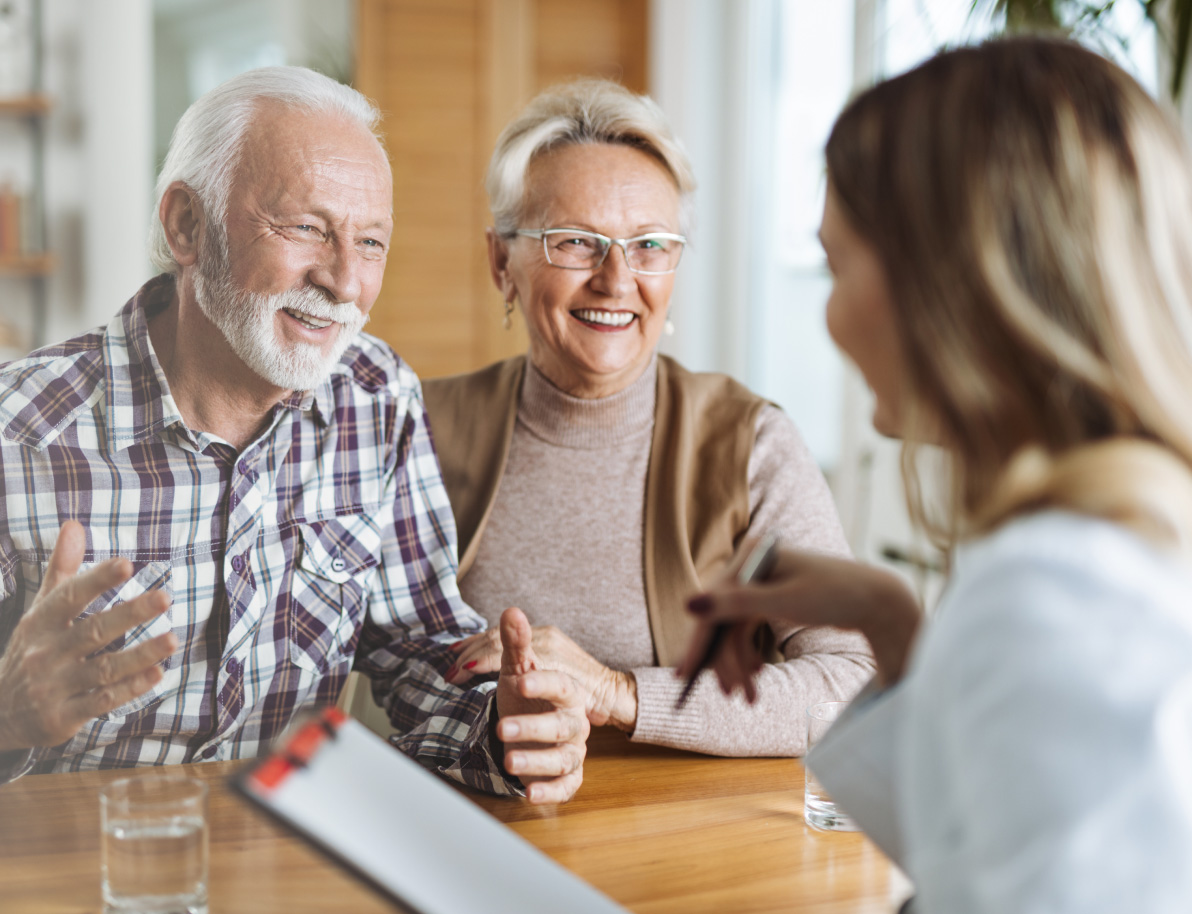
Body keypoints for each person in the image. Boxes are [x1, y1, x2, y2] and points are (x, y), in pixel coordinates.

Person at [682, 38, 1192, 912]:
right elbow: (986, 847)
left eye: (839, 266)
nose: (832, 318)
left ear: (951, 278)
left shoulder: (1058, 594)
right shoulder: (1109, 550)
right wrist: (894, 626)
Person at [0, 66, 588, 805]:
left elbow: (420, 651)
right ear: (186, 225)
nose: (345, 282)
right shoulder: (18, 431)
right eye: (306, 227)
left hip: (285, 859)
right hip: (72, 874)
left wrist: (505, 726)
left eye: (370, 242)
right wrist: (9, 713)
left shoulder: (376, 399)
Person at [424, 79, 874, 756]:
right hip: (482, 827)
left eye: (650, 246)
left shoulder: (751, 444)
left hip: (687, 848)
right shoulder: (415, 430)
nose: (616, 278)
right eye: (575, 241)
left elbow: (856, 682)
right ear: (500, 262)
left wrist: (618, 693)